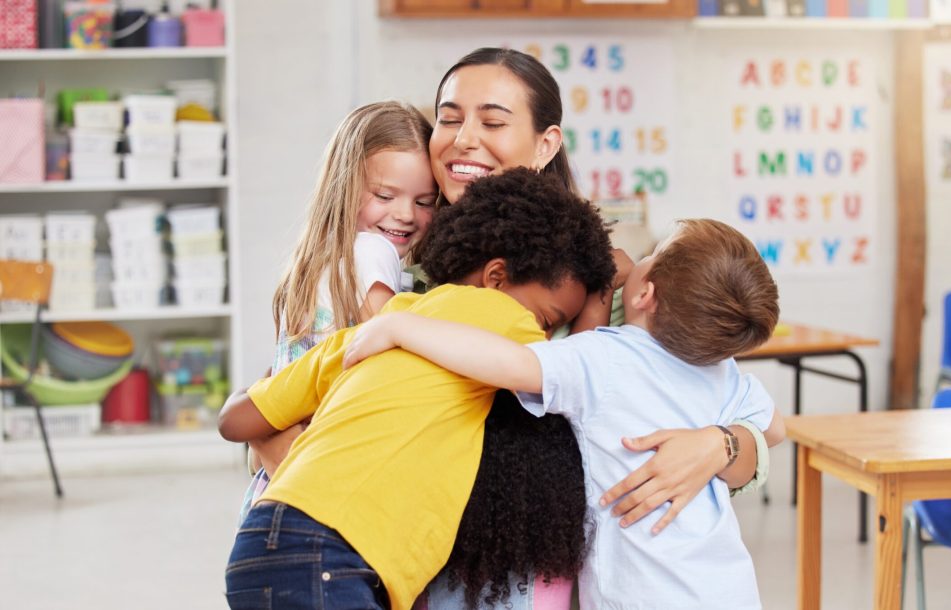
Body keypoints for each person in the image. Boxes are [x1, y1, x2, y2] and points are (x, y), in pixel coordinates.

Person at [219, 169, 616, 610]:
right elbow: (566, 372)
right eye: (547, 319)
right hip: (332, 554)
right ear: (497, 277)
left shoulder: (371, 332)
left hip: (262, 541)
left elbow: (235, 420)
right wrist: (601, 296)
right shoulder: (502, 318)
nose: (545, 334)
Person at [344, 218, 786, 609]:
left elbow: (510, 361)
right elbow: (775, 427)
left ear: (647, 293)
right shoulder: (720, 368)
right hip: (730, 588)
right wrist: (718, 437)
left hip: (641, 595)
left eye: (650, 256)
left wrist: (400, 326)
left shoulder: (605, 358)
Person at [239, 101, 437, 519]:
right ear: (345, 186)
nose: (405, 214)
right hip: (325, 492)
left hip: (275, 494)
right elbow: (397, 352)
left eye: (425, 201)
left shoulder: (318, 263)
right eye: (385, 195)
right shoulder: (371, 251)